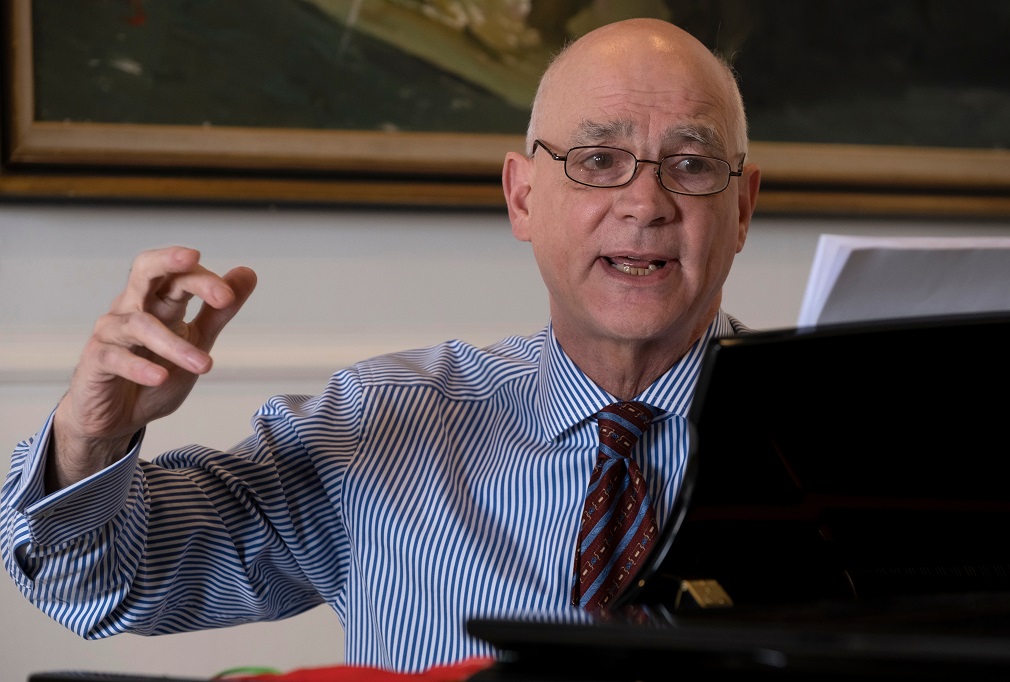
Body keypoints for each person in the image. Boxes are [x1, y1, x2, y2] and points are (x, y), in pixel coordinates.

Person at [1, 17, 759, 674]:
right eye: (598, 161)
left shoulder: (857, 429)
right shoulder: (378, 424)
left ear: (744, 206)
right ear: (523, 197)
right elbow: (96, 584)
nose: (645, 204)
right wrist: (91, 437)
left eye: (691, 165)